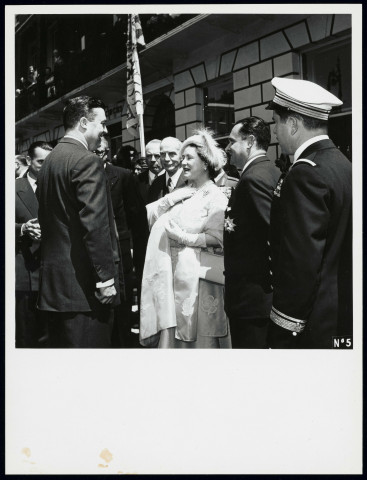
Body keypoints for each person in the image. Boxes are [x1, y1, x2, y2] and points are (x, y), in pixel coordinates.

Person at [266, 77, 352, 348]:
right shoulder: (341, 164)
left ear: (292, 124)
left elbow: (300, 263)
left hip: (313, 325)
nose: (275, 132)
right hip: (340, 312)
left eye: (277, 122)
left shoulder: (305, 174)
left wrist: (284, 327)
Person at [36, 96, 121, 348]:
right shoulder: (86, 160)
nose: (105, 130)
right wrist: (105, 279)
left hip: (55, 290)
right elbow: (94, 225)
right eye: (102, 123)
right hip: (84, 291)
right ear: (84, 123)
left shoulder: (50, 161)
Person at [140, 128, 231, 348]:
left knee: (200, 343)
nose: (183, 163)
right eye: (183, 158)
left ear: (206, 162)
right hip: (175, 278)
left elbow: (217, 238)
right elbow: (150, 219)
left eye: (189, 158)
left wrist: (184, 238)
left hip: (201, 283)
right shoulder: (185, 190)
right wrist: (168, 201)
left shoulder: (216, 195)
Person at [223, 117, 280, 348]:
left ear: (250, 142)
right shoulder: (268, 170)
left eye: (232, 141)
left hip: (252, 299)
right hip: (255, 297)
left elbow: (274, 234)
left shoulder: (253, 179)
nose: (227, 148)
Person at [96, 136, 149, 347]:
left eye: (103, 152)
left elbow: (137, 220)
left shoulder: (123, 176)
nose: (99, 156)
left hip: (121, 254)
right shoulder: (77, 175)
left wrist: (138, 258)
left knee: (121, 314)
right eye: (94, 151)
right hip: (94, 256)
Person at [16, 141, 53, 347]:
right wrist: (22, 229)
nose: (46, 168)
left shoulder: (60, 186)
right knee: (26, 336)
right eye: (41, 162)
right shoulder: (13, 187)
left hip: (54, 276)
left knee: (51, 337)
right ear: (28, 160)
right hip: (25, 274)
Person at [147, 136, 186, 203]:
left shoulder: (192, 180)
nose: (166, 159)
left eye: (172, 154)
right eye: (162, 154)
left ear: (182, 156)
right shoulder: (156, 184)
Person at [137, 139, 164, 204]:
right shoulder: (137, 180)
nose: (152, 160)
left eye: (157, 156)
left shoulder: (172, 179)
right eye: (149, 156)